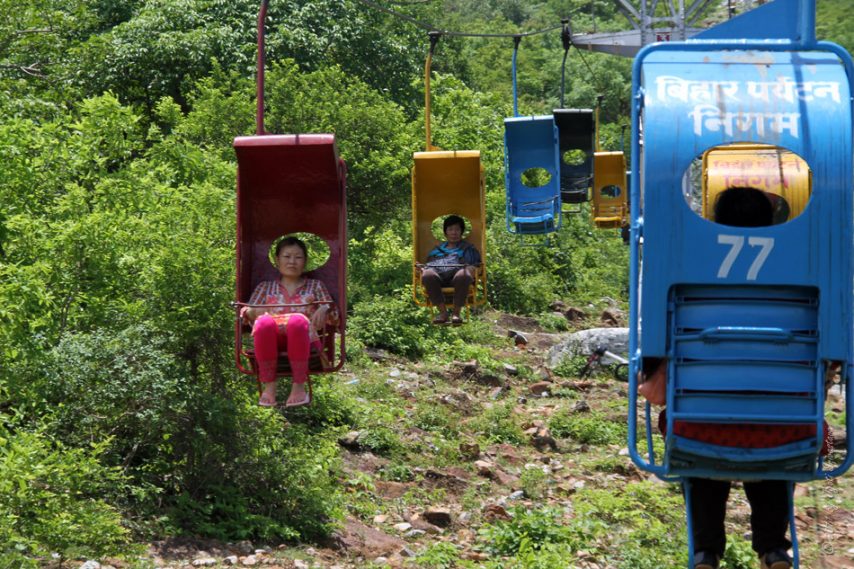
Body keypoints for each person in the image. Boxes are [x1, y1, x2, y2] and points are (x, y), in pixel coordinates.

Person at [638, 187, 811, 569]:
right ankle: (772, 548)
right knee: (772, 423)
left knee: (702, 421)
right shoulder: (805, 276)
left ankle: (705, 551)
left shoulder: (686, 277)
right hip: (790, 430)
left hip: (698, 430)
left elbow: (650, 354)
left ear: (713, 222)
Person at [240, 236, 338, 407]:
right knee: (264, 323)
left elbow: (334, 317)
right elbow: (245, 314)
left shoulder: (315, 286)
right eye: (287, 257)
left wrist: (325, 308)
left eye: (298, 257)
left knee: (297, 321)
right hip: (272, 341)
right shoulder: (265, 287)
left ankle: (299, 387)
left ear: (305, 262)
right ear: (277, 260)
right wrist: (253, 311)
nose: (292, 262)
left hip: (304, 340)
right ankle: (269, 387)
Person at [420, 214, 481, 325]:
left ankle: (456, 313)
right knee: (427, 274)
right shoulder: (437, 250)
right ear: (445, 232)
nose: (454, 232)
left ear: (461, 231)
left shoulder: (468, 249)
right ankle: (443, 313)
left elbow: (476, 266)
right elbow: (429, 265)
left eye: (457, 229)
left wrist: (471, 268)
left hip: (457, 278)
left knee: (464, 274)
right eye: (450, 229)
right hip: (439, 278)